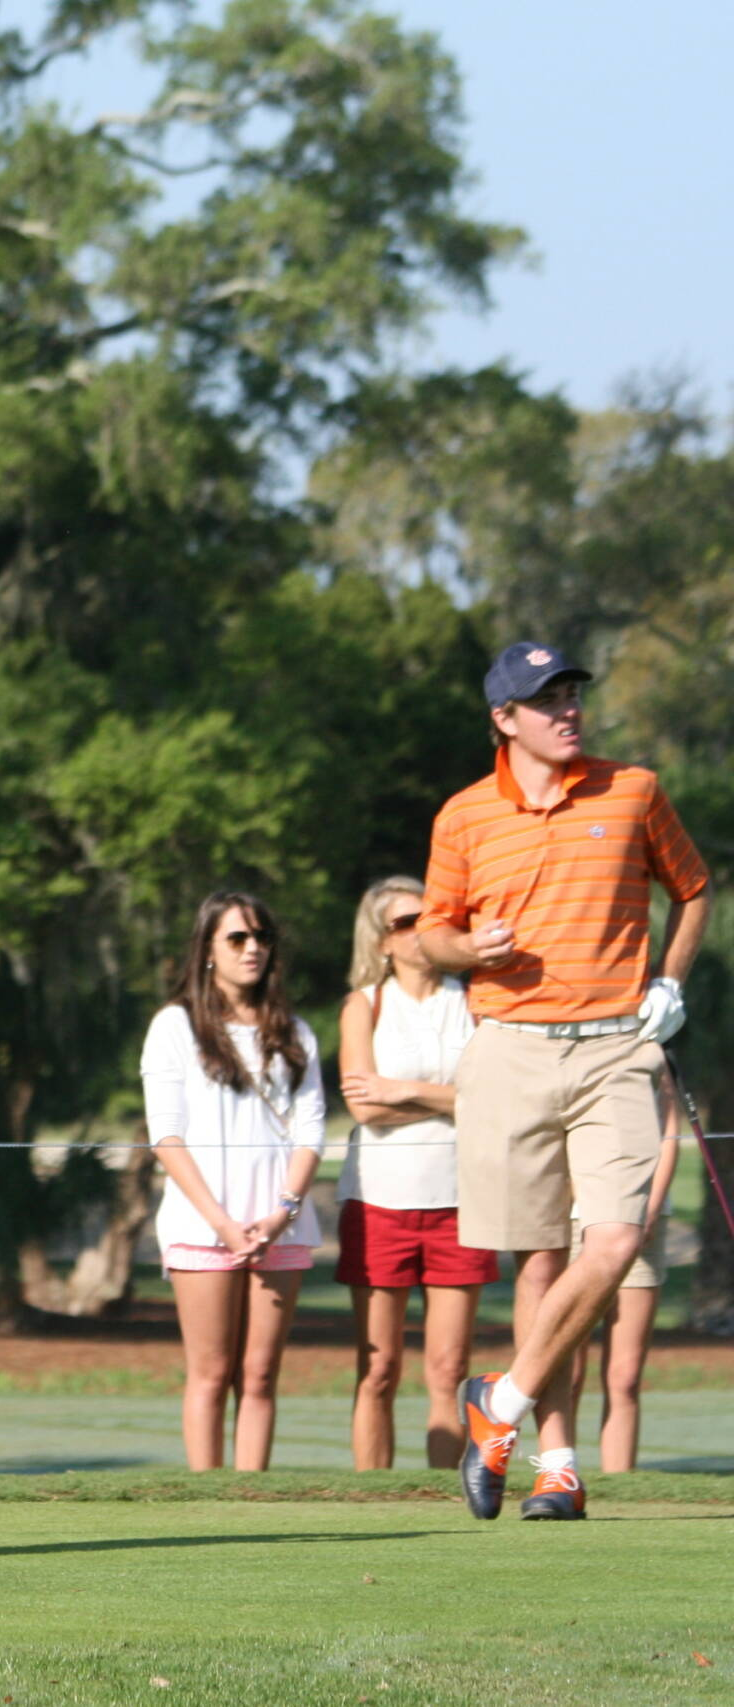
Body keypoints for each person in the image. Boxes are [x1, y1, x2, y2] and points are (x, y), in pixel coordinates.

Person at [421, 643, 709, 1522]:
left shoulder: (634, 789)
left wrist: (671, 980)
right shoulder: (465, 815)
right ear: (504, 720)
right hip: (509, 1047)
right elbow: (433, 932)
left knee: (614, 1246)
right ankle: (557, 1466)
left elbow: (693, 890)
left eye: (573, 693)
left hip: (616, 1047)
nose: (568, 709)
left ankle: (496, 1407)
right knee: (541, 1265)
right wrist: (470, 950)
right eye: (546, 700)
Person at [143, 891, 326, 1472]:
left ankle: (256, 1499)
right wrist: (220, 1222)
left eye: (262, 937)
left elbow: (312, 1130)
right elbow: (165, 1135)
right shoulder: (176, 1026)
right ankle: (208, 1498)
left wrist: (283, 1212)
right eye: (237, 938)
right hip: (203, 1222)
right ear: (207, 950)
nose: (253, 949)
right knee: (212, 1371)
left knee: (261, 1373)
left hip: (280, 1226)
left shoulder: (294, 1030)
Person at [335, 874, 492, 1470]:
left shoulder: (474, 999)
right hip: (379, 1203)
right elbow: (362, 1107)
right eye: (405, 922)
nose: (421, 930)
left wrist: (402, 1088)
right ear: (380, 941)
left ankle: (441, 1495)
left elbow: (491, 1098)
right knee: (378, 1368)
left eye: (430, 917)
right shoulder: (365, 1005)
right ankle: (371, 1501)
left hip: (461, 1200)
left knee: (449, 1369)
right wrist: (448, 1096)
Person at [559, 1072, 682, 1473]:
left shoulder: (652, 1048)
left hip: (643, 1222)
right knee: (569, 1373)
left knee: (625, 1376)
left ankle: (620, 1483)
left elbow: (668, 1129)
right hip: (575, 1221)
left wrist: (649, 1207)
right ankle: (560, 1476)